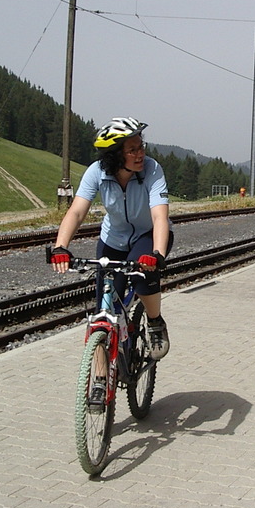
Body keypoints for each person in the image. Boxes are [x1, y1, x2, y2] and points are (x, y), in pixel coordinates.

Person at [50, 117, 172, 360]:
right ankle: (102, 370)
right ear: (115, 155)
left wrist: (156, 254)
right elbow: (76, 211)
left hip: (147, 237)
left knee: (143, 275)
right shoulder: (96, 172)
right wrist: (60, 247)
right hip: (112, 240)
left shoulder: (152, 169)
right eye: (132, 150)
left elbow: (159, 217)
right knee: (106, 307)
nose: (140, 154)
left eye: (141, 147)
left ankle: (155, 322)